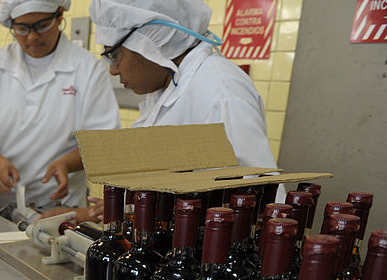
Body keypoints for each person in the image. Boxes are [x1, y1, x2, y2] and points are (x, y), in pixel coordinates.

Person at [0, 0, 120, 221]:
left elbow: (102, 142)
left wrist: (66, 163)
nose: (32, 37)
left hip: (58, 209)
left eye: (41, 25)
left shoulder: (88, 69)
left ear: (59, 15)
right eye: (22, 29)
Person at [89, 0, 277, 172]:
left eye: (114, 55)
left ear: (150, 39)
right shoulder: (169, 85)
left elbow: (251, 197)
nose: (113, 70)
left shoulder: (221, 92)